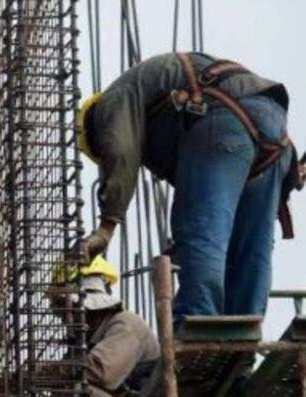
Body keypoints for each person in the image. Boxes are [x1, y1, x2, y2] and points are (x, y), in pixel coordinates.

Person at [77, 51, 303, 321]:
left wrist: (107, 227)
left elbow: (120, 151)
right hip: (274, 135)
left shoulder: (110, 104)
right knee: (250, 250)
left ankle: (199, 325)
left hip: (223, 121)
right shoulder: (154, 104)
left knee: (200, 231)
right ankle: (244, 329)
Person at [50, 256, 160, 397]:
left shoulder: (126, 324)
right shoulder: (86, 342)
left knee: (84, 395)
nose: (64, 319)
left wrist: (35, 373)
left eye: (65, 310)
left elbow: (101, 372)